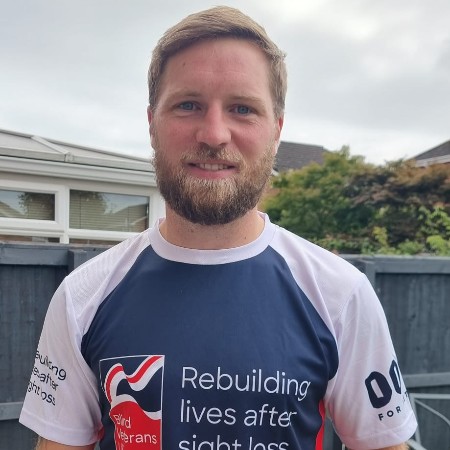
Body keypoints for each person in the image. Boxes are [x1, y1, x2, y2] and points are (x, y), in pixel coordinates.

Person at [19, 6, 417, 450]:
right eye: (188, 105)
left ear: (276, 131)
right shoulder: (81, 298)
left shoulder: (341, 296)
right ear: (152, 123)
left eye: (242, 108)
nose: (213, 134)